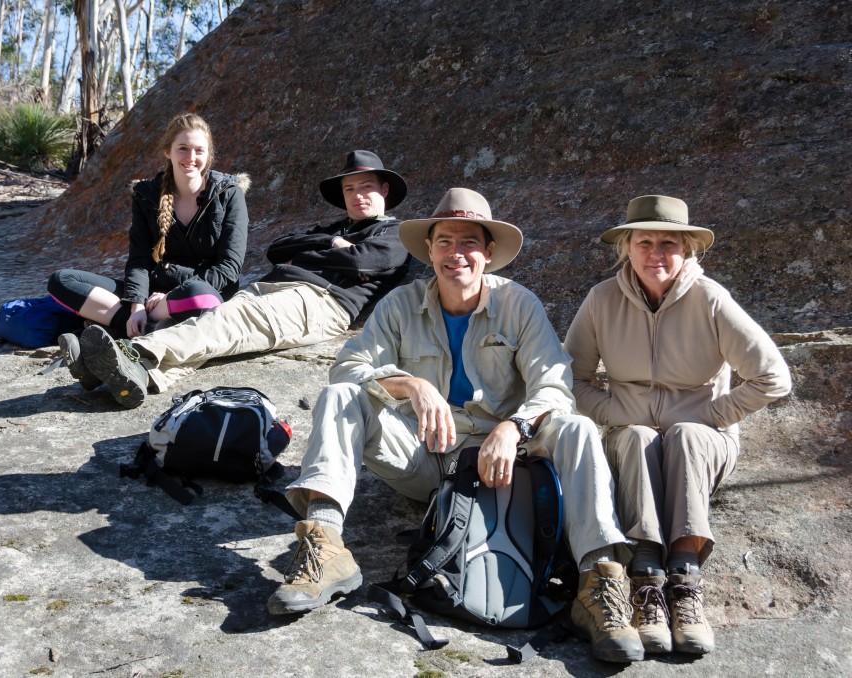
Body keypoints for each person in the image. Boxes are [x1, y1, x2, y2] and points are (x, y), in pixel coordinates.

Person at [267, 188, 646, 664]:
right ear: (429, 250)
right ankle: (325, 546)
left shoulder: (519, 304)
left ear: (488, 253)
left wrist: (513, 428)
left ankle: (598, 585)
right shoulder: (401, 305)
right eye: (444, 241)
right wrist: (411, 385)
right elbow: (348, 367)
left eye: (468, 242)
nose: (455, 254)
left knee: (576, 428)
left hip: (499, 470)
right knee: (342, 395)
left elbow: (555, 387)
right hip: (424, 459)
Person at [563, 195, 792, 656]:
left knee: (685, 435)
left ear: (687, 250)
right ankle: (647, 578)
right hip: (630, 444)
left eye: (669, 242)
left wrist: (711, 417)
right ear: (625, 247)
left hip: (703, 444)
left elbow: (774, 378)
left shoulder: (710, 299)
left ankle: (685, 579)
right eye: (644, 241)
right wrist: (613, 414)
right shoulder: (601, 300)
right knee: (636, 435)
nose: (655, 253)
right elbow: (571, 378)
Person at [74, 150, 411, 408]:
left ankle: (131, 354)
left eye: (366, 187)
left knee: (227, 320)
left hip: (321, 300)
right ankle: (131, 377)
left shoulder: (395, 231)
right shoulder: (330, 230)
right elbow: (279, 249)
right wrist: (329, 243)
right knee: (213, 329)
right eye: (349, 188)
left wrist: (308, 256)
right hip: (271, 287)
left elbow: (368, 259)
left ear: (384, 189)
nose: (357, 195)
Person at [49, 112, 249, 390]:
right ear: (167, 151)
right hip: (152, 295)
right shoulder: (146, 194)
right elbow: (139, 260)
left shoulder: (228, 193)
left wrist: (169, 293)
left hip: (202, 296)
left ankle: (121, 335)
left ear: (208, 155)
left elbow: (228, 269)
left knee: (197, 295)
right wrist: (137, 305)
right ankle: (138, 327)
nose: (191, 157)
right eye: (183, 148)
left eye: (199, 150)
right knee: (62, 280)